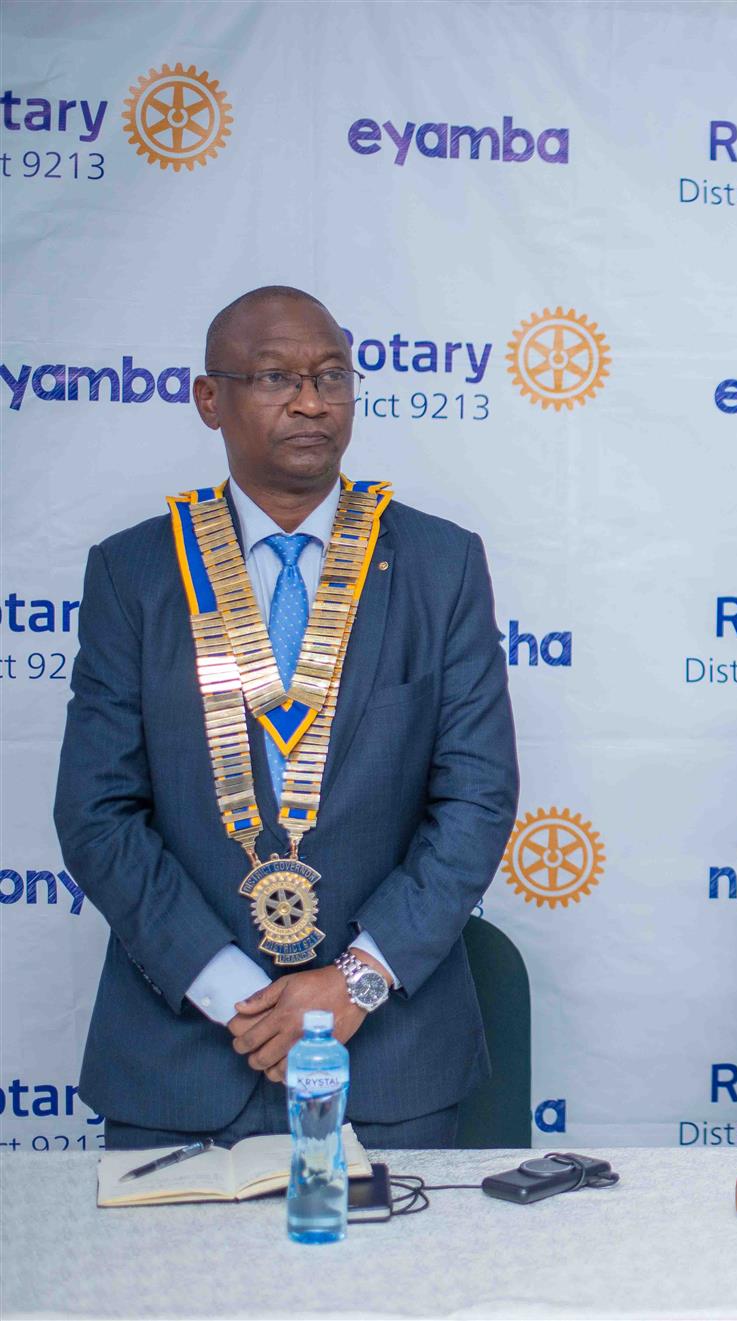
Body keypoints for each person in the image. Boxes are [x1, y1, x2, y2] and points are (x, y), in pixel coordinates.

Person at [54, 286, 518, 1150]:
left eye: (331, 376)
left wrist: (357, 980)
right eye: (276, 377)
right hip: (181, 1060)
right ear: (210, 399)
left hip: (391, 1061)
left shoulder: (441, 564)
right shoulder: (134, 574)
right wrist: (236, 993)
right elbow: (96, 812)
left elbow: (477, 800)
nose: (311, 401)